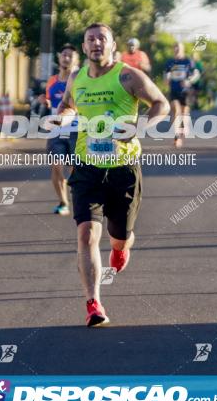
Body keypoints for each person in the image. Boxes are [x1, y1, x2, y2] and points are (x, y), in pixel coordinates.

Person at [56, 23, 169, 326]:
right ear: (84, 47)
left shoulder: (127, 76)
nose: (96, 43)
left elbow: (161, 103)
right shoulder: (77, 78)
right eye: (90, 39)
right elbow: (66, 105)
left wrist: (141, 127)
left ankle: (121, 246)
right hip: (86, 166)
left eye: (101, 39)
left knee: (119, 238)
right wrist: (63, 116)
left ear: (112, 44)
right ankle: (94, 303)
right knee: (86, 233)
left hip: (123, 170)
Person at [45, 45, 80, 215]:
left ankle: (78, 199)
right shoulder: (52, 80)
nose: (66, 58)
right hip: (56, 131)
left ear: (76, 60)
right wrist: (45, 103)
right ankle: (63, 202)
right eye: (63, 55)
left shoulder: (81, 79)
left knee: (75, 169)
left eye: (70, 56)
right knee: (56, 165)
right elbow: (49, 100)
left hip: (77, 129)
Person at [165, 42, 200, 148]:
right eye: (175, 47)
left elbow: (196, 74)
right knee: (175, 111)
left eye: (179, 48)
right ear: (173, 49)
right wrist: (166, 78)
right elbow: (166, 73)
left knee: (184, 112)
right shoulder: (170, 62)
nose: (177, 49)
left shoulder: (188, 61)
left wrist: (189, 81)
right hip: (174, 90)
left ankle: (184, 127)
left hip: (185, 91)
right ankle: (176, 137)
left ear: (183, 49)